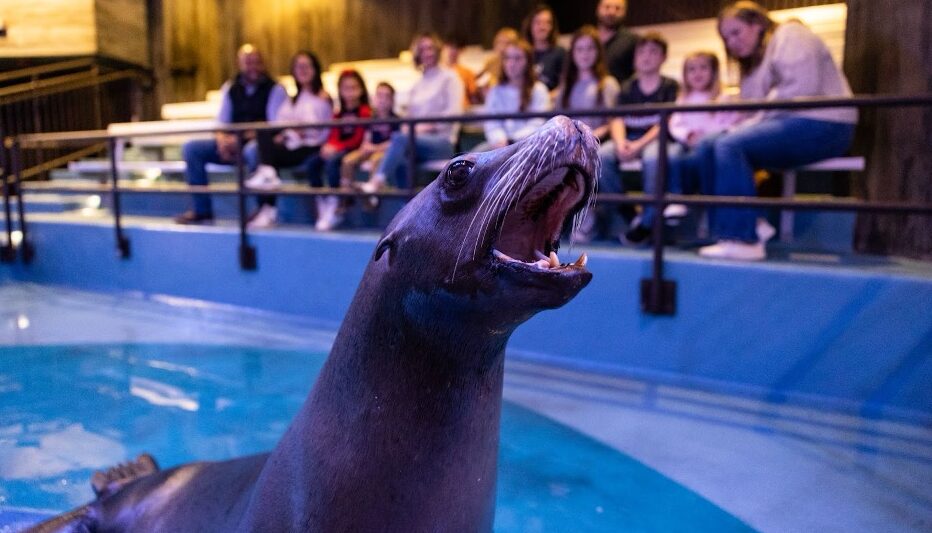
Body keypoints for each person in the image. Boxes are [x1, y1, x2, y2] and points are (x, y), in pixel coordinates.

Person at [698, 1, 857, 260]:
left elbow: (800, 89)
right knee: (708, 144)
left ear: (758, 24)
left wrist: (749, 123)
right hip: (790, 125)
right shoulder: (752, 66)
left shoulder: (790, 34)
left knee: (729, 144)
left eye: (736, 32)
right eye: (726, 38)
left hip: (827, 123)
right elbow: (754, 112)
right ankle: (746, 226)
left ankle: (743, 239)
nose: (731, 43)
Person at [624, 51, 742, 244]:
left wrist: (704, 136)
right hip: (685, 144)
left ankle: (706, 215)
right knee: (673, 156)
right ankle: (676, 197)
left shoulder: (722, 98)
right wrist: (687, 135)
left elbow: (728, 123)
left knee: (699, 161)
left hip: (707, 147)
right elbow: (676, 122)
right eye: (692, 69)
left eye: (703, 68)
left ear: (714, 71)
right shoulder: (684, 98)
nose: (698, 73)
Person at [175, 44, 287, 224]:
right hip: (232, 144)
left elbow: (273, 126)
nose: (252, 67)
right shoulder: (230, 87)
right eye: (247, 62)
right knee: (192, 148)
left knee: (254, 150)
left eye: (255, 62)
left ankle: (262, 210)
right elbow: (221, 122)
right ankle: (202, 210)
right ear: (239, 64)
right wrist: (222, 141)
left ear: (262, 63)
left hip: (258, 144)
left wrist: (239, 138)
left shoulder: (276, 89)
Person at [591, 33, 677, 241]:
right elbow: (617, 119)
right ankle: (630, 216)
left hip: (654, 140)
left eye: (653, 52)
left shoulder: (670, 86)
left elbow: (666, 122)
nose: (647, 57)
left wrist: (638, 145)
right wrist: (620, 143)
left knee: (653, 158)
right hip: (628, 139)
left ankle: (648, 223)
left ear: (663, 57)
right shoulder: (627, 87)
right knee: (601, 155)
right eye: (642, 52)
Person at [361, 33, 464, 193]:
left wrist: (422, 128)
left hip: (443, 141)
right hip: (416, 141)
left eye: (430, 48)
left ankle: (376, 183)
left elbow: (453, 114)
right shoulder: (417, 85)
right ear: (418, 55)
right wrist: (409, 129)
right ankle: (406, 206)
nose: (427, 53)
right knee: (401, 157)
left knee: (400, 139)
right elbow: (409, 117)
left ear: (437, 50)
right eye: (422, 49)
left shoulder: (450, 77)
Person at [243, 51, 333, 229]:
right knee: (263, 133)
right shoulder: (292, 98)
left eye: (307, 66)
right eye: (298, 66)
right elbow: (280, 122)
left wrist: (294, 130)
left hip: (312, 146)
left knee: (266, 158)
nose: (302, 70)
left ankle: (268, 202)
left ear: (315, 69)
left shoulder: (323, 96)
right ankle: (268, 202)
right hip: (291, 144)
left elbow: (317, 128)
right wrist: (285, 134)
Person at [310, 69, 371, 231]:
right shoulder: (338, 114)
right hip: (338, 148)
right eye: (346, 88)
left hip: (353, 149)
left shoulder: (365, 112)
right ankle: (320, 200)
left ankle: (336, 201)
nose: (350, 93)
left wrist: (337, 148)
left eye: (354, 88)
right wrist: (328, 146)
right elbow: (334, 134)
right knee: (312, 164)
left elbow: (358, 137)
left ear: (361, 90)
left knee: (332, 163)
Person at [477, 39, 551, 152]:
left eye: (517, 58)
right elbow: (492, 123)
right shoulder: (496, 91)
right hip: (500, 146)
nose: (511, 63)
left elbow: (538, 124)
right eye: (508, 58)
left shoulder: (539, 90)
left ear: (528, 62)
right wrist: (500, 140)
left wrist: (512, 142)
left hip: (530, 148)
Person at [555, 25, 621, 141]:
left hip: (598, 142)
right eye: (579, 49)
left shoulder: (609, 84)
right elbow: (558, 121)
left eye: (590, 48)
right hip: (569, 143)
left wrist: (590, 137)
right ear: (572, 53)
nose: (585, 54)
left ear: (598, 52)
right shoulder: (566, 86)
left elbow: (613, 122)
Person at [341, 82, 398, 191]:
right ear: (374, 98)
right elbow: (366, 138)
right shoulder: (371, 119)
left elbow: (394, 143)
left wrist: (375, 148)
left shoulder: (396, 120)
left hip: (384, 153)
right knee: (347, 160)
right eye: (379, 95)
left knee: (375, 159)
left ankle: (372, 195)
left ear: (392, 100)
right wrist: (365, 147)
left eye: (386, 96)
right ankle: (346, 194)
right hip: (370, 150)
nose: (382, 100)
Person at [521, 4, 566, 92]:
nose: (542, 27)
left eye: (547, 23)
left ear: (552, 27)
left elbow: (565, 85)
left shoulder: (560, 53)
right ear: (530, 25)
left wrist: (546, 98)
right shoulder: (522, 53)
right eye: (538, 22)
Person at [596, 0, 638, 85]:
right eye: (607, 7)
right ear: (598, 9)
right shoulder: (587, 40)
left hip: (620, 96)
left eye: (617, 8)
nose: (612, 12)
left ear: (625, 12)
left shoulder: (633, 41)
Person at [476, 27, 520, 99]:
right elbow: (477, 80)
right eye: (499, 42)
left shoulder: (518, 62)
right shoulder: (491, 62)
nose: (502, 47)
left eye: (507, 43)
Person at [442, 37, 481, 106]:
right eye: (448, 47)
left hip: (462, 112)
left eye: (454, 48)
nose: (451, 51)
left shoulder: (467, 72)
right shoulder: (437, 72)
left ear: (460, 51)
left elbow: (474, 97)